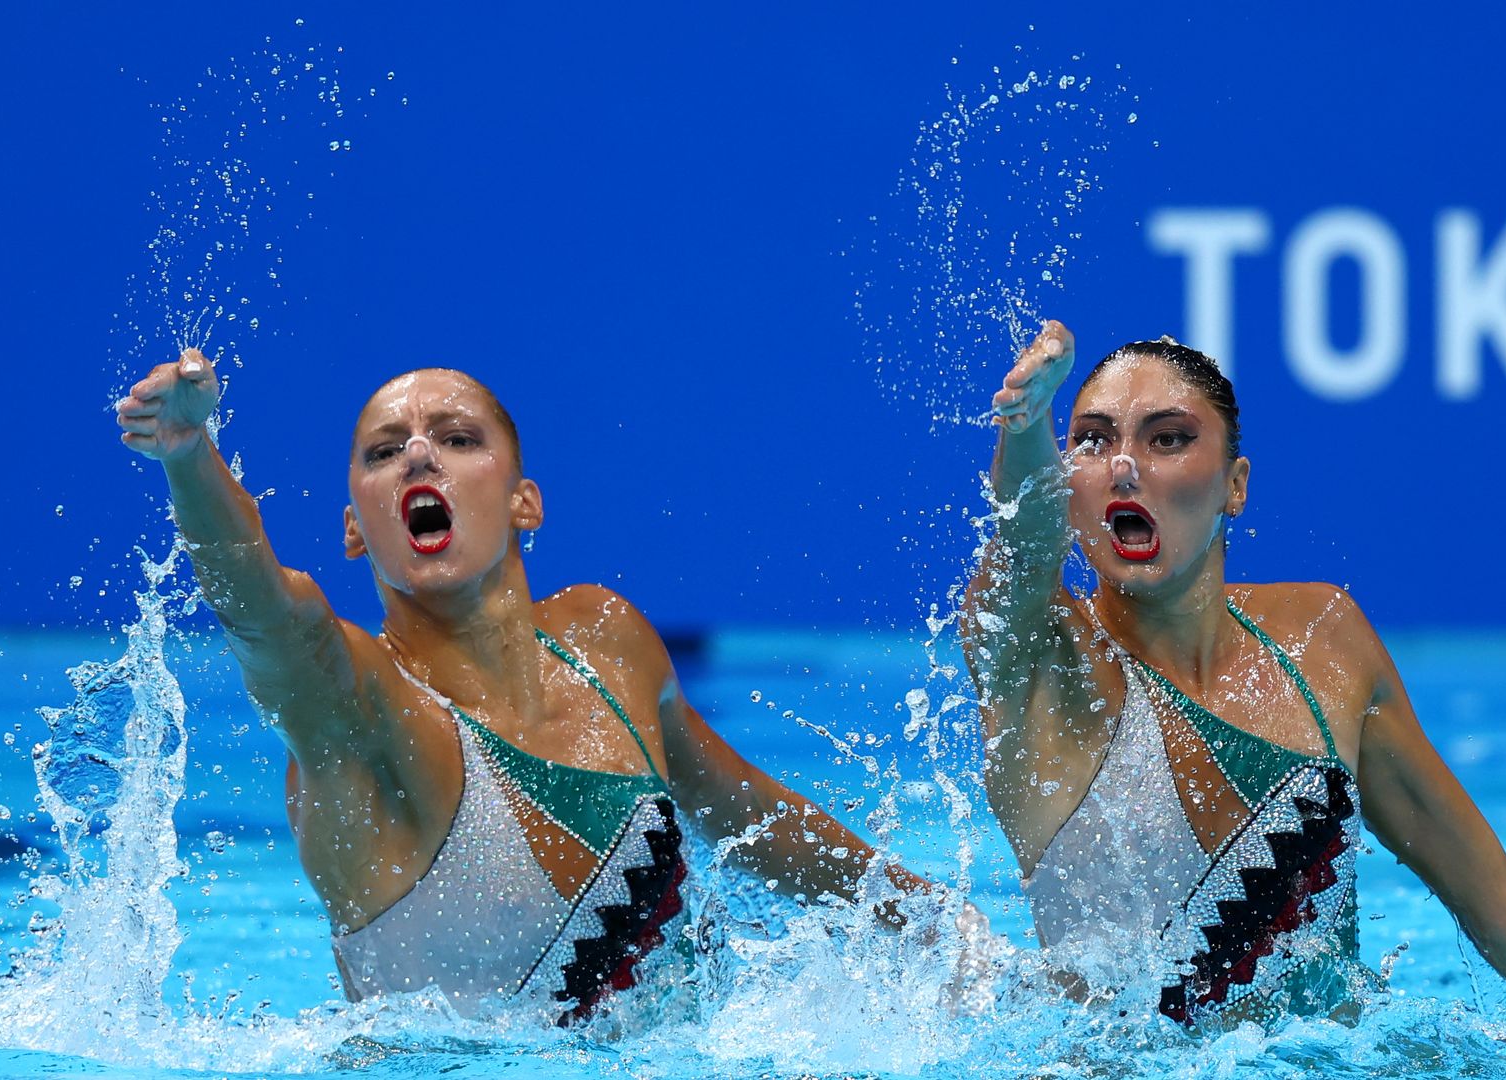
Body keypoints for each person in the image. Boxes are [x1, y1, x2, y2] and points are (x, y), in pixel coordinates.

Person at [116, 350, 920, 1024]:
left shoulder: (606, 639)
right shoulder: (361, 713)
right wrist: (191, 458)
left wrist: (924, 921)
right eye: (384, 450)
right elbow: (263, 614)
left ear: (523, 502)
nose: (420, 456)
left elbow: (748, 816)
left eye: (457, 438)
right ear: (356, 530)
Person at [962, 321, 1506, 1053]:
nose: (1123, 467)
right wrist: (1024, 427)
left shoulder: (1322, 640)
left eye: (1167, 439)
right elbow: (1022, 549)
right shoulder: (1045, 671)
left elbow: (1495, 897)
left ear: (1234, 487)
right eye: (1091, 440)